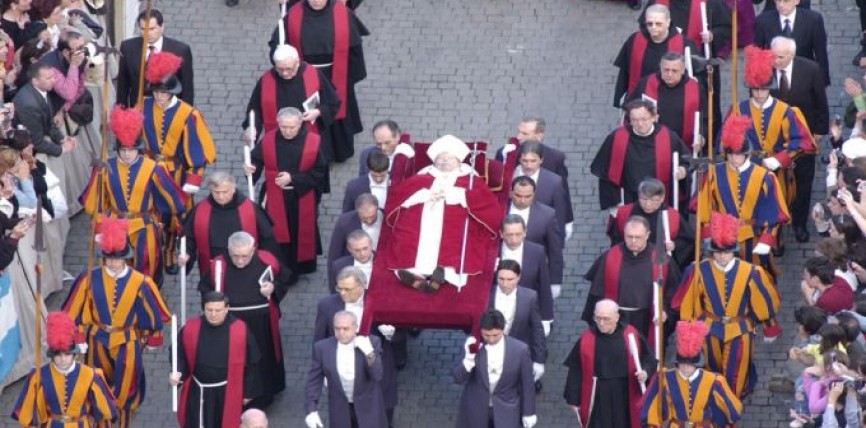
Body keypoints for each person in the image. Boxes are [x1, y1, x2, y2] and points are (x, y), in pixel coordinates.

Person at [61, 216, 170, 428]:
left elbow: (152, 312)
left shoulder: (141, 282)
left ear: (125, 258)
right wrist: (78, 336)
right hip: (97, 339)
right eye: (109, 258)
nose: (113, 262)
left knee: (127, 388)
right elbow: (72, 311)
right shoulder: (88, 278)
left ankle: (123, 424)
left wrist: (152, 337)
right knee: (97, 385)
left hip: (128, 340)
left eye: (118, 258)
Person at [675, 212, 781, 398]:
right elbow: (689, 305)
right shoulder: (697, 271)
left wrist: (769, 327)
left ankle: (731, 408)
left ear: (733, 251)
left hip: (740, 329)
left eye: (726, 252)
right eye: (718, 252)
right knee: (712, 371)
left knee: (736, 376)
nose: (722, 256)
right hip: (709, 329)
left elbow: (763, 302)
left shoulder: (752, 272)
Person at [79, 106, 187, 287]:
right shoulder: (104, 168)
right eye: (123, 150)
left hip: (144, 225)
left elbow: (171, 196)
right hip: (114, 224)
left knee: (147, 264)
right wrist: (99, 226)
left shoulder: (153, 167)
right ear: (117, 150)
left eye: (132, 150)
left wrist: (180, 216)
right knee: (114, 268)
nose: (128, 154)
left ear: (139, 149)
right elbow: (96, 202)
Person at [382, 134, 502, 290]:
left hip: (454, 222)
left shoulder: (471, 180)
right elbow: (398, 197)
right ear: (434, 161)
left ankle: (442, 275)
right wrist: (421, 195)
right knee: (408, 237)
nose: (444, 161)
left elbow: (488, 205)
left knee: (454, 243)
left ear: (458, 161)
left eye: (449, 158)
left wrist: (461, 195)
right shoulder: (422, 178)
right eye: (440, 158)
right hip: (420, 220)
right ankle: (416, 277)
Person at [141, 51, 216, 274]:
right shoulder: (142, 107)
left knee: (177, 215)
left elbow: (197, 150)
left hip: (176, 172)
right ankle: (153, 249)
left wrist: (193, 179)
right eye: (156, 92)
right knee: (152, 212)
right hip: (149, 168)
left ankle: (171, 250)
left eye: (163, 93)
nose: (159, 97)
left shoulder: (188, 114)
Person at [201, 231, 293, 409]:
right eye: (235, 256)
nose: (240, 260)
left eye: (245, 256)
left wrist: (273, 287)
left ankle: (263, 396)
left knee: (261, 360)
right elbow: (205, 289)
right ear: (228, 250)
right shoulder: (218, 266)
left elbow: (284, 278)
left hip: (261, 324)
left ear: (253, 250)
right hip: (229, 323)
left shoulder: (267, 261)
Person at [271, 0, 368, 162]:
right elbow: (278, 43)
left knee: (335, 107)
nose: (316, 0)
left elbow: (355, 47)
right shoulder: (294, 13)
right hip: (304, 72)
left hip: (334, 72)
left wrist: (351, 76)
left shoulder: (342, 13)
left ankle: (339, 151)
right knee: (309, 113)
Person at [696, 110, 789, 277]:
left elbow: (774, 214)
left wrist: (767, 240)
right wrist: (708, 236)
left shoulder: (765, 177)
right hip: (723, 238)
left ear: (746, 154)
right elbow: (705, 208)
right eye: (730, 154)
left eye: (737, 154)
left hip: (753, 235)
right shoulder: (712, 174)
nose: (733, 158)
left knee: (758, 276)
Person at [728, 45, 814, 217]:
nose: (759, 93)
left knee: (775, 209)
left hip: (776, 171)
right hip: (746, 167)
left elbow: (802, 142)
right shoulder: (737, 110)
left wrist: (778, 159)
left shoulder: (785, 111)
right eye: (755, 89)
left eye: (763, 89)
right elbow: (725, 142)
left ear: (769, 88)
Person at [242, 44, 339, 193]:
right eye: (280, 69)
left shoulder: (313, 75)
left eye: (289, 69)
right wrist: (252, 126)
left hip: (307, 138)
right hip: (278, 140)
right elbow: (255, 108)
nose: (285, 73)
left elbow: (332, 102)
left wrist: (318, 112)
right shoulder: (266, 80)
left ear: (297, 63)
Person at [314, 266, 402, 425]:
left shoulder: (381, 302)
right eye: (339, 288)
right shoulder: (326, 305)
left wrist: (391, 334)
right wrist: (323, 372)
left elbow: (401, 335)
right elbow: (319, 339)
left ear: (363, 285)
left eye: (347, 289)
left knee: (381, 414)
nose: (342, 293)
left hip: (375, 365)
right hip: (342, 369)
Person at [245, 107, 327, 277]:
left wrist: (293, 179)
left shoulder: (313, 142)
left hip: (301, 196)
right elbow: (257, 160)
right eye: (283, 127)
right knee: (275, 233)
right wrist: (251, 168)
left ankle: (299, 268)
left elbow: (320, 172)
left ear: (300, 124)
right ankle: (280, 268)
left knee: (299, 233)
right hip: (274, 195)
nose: (288, 131)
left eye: (292, 127)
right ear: (278, 124)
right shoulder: (268, 140)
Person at [582, 216, 681, 348]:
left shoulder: (662, 260)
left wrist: (665, 311)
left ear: (647, 235)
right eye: (629, 236)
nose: (633, 241)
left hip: (647, 319)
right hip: (617, 319)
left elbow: (673, 292)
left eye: (638, 237)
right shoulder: (610, 257)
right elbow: (597, 292)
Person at [170, 291, 263, 428]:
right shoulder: (191, 328)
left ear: (226, 309)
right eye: (209, 310)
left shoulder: (240, 329)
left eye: (218, 310)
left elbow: (252, 362)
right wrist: (178, 371)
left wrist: (249, 391)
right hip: (197, 389)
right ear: (204, 308)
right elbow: (179, 353)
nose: (213, 314)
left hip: (226, 391)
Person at [769, 36, 829, 243]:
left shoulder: (810, 69)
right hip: (774, 139)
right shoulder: (765, 70)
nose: (775, 60)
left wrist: (819, 130)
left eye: (781, 57)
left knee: (803, 182)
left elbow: (821, 102)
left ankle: (800, 223)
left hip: (803, 137)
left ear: (792, 56)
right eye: (773, 56)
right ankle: (776, 228)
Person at [11, 311, 117, 427]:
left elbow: (103, 412)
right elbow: (31, 416)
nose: (62, 359)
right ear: (52, 355)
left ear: (74, 354)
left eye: (67, 354)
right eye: (58, 355)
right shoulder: (39, 377)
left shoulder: (90, 375)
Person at [564, 299, 656, 428]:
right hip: (598, 393)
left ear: (617, 317)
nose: (601, 323)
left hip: (625, 391)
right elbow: (576, 369)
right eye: (597, 318)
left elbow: (649, 359)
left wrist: (645, 372)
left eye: (606, 319)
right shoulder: (587, 338)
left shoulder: (631, 334)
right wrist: (573, 399)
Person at [179, 171, 281, 284]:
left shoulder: (250, 209)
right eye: (216, 192)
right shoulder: (199, 210)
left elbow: (267, 239)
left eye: (225, 192)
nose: (221, 196)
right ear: (210, 189)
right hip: (212, 266)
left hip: (245, 264)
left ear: (233, 188)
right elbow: (188, 237)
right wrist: (186, 253)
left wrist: (265, 263)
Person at [591, 99, 690, 213]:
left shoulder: (668, 137)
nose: (640, 124)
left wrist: (682, 170)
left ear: (654, 117)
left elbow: (686, 160)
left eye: (644, 119)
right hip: (628, 197)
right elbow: (604, 171)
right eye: (635, 120)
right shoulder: (618, 137)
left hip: (658, 198)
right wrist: (614, 202)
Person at [640, 321, 743, 427]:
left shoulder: (714, 381)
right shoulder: (665, 379)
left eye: (689, 364)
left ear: (696, 364)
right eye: (682, 364)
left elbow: (731, 411)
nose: (685, 367)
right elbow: (653, 411)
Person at [454, 309, 537, 428]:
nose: (491, 339)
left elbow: (527, 384)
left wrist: (529, 412)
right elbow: (458, 378)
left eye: (495, 335)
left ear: (503, 330)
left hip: (507, 409)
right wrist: (468, 360)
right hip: (476, 409)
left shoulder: (520, 350)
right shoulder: (472, 346)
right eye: (486, 335)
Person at [305, 311, 388, 428]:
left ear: (355, 327)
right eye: (337, 328)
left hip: (368, 408)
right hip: (340, 411)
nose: (341, 333)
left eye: (346, 329)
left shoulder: (372, 342)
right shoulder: (322, 348)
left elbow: (377, 375)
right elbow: (314, 381)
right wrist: (311, 410)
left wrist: (369, 353)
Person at [612, 4, 699, 107]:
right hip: (641, 99)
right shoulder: (635, 40)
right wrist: (620, 100)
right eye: (649, 24)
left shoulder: (684, 44)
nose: (653, 27)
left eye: (658, 24)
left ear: (668, 22)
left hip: (671, 102)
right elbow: (625, 72)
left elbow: (696, 74)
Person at [626, 52, 707, 152]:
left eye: (674, 71)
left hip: (683, 146)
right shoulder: (646, 84)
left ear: (682, 71)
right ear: (660, 68)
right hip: (650, 146)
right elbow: (629, 109)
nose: (669, 74)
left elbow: (705, 118)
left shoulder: (695, 88)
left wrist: (702, 137)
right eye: (666, 70)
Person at [489, 260, 548, 392]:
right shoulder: (486, 294)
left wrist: (539, 360)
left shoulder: (530, 297)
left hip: (519, 350)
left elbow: (537, 329)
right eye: (501, 279)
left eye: (510, 279)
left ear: (519, 277)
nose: (505, 284)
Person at [608, 178, 694, 268]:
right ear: (638, 196)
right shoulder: (624, 213)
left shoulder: (672, 216)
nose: (648, 204)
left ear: (662, 198)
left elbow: (687, 240)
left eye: (653, 200)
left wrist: (674, 245)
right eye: (644, 199)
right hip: (630, 262)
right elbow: (615, 238)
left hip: (659, 265)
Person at [117, 9, 194, 106]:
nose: (147, 34)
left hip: (167, 110)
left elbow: (187, 89)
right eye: (143, 29)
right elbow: (123, 84)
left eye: (152, 29)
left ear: (162, 27)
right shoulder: (127, 47)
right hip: (138, 110)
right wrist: (122, 112)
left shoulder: (180, 50)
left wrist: (186, 116)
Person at [507, 175, 564, 298]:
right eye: (518, 196)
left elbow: (555, 250)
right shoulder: (500, 211)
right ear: (511, 193)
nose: (522, 200)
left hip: (532, 278)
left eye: (527, 196)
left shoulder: (547, 215)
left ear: (534, 194)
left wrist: (555, 282)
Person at [753, 0, 830, 85]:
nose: (781, 5)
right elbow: (756, 55)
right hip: (774, 81)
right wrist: (754, 86)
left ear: (796, 1)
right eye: (778, 1)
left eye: (786, 1)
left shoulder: (814, 20)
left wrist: (822, 84)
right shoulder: (763, 21)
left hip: (804, 78)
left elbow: (821, 54)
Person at [499, 214, 554, 329]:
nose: (514, 240)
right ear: (501, 233)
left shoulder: (537, 251)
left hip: (526, 311)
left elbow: (543, 284)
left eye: (518, 234)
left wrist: (546, 318)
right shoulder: (492, 251)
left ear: (525, 232)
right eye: (509, 235)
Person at [513, 140, 574, 238]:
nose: (529, 165)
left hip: (541, 240)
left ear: (541, 160)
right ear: (519, 159)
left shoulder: (554, 182)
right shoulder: (509, 177)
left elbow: (559, 213)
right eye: (525, 161)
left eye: (533, 161)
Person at [12, 63, 75, 157]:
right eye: (48, 78)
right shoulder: (30, 105)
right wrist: (62, 149)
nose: (53, 81)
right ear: (35, 81)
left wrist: (62, 138)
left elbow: (48, 122)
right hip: (22, 149)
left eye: (53, 77)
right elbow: (36, 142)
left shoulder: (41, 90)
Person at [357, 119, 415, 186]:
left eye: (387, 143)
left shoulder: (408, 156)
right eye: (378, 144)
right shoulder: (365, 154)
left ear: (398, 136)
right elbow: (362, 180)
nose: (383, 148)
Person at [328, 193, 381, 263]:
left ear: (377, 209)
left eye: (372, 216)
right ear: (357, 212)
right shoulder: (344, 222)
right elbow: (335, 253)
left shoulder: (389, 220)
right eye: (364, 218)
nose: (369, 221)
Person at [328, 229, 374, 294]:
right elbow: (335, 292)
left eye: (365, 248)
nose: (362, 254)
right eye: (357, 250)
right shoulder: (339, 266)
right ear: (349, 249)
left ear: (371, 244)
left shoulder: (385, 262)